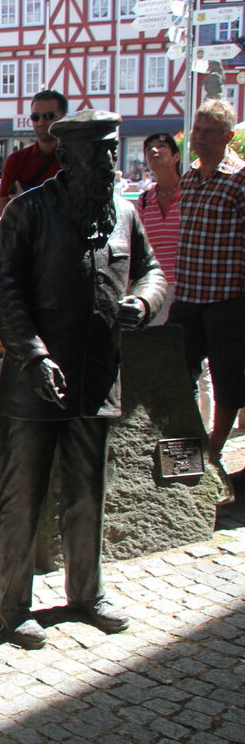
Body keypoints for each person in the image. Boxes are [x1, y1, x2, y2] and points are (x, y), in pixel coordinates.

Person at [0, 110, 165, 650]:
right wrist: (32, 353)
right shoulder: (30, 211)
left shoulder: (124, 213)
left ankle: (87, 592)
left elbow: (152, 271)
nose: (111, 160)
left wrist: (143, 301)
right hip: (35, 380)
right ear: (68, 156)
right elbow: (2, 285)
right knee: (23, 496)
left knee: (89, 492)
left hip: (96, 378)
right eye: (100, 151)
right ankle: (12, 604)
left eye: (112, 149)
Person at [167, 100, 245, 505]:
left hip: (227, 297)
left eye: (209, 130)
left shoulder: (240, 179)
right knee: (178, 372)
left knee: (229, 378)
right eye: (197, 128)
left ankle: (214, 451)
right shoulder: (191, 177)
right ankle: (186, 445)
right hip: (189, 295)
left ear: (227, 136)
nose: (199, 136)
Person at [136, 132, 182, 324]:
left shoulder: (191, 192)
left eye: (161, 146)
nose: (154, 150)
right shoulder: (145, 199)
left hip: (186, 289)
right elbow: (139, 246)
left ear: (176, 156)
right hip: (157, 287)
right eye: (148, 149)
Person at [0, 89, 68, 214]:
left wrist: (25, 201)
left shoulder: (74, 158)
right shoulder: (16, 160)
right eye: (35, 117)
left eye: (49, 116)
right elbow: (3, 206)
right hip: (27, 232)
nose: (41, 122)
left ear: (63, 117)